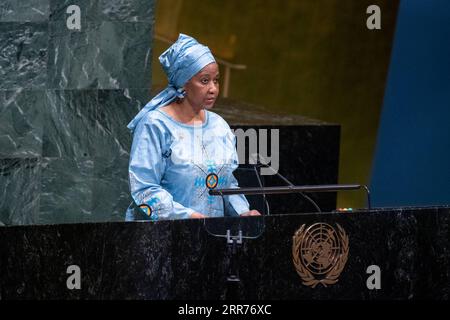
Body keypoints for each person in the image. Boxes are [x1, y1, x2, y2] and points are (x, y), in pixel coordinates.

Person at [125, 34, 261, 221]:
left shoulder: (219, 126)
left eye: (216, 80)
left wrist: (242, 213)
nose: (213, 88)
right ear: (183, 83)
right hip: (166, 237)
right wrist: (188, 217)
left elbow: (228, 183)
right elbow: (145, 189)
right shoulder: (155, 125)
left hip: (214, 237)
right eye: (204, 81)